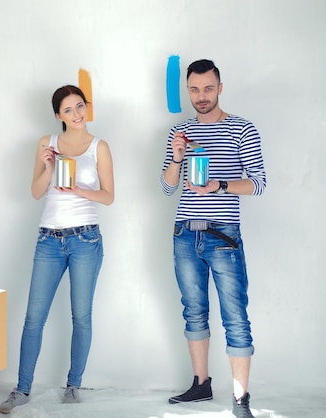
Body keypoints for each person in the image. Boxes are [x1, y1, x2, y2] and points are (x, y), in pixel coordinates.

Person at [160, 59, 266, 418]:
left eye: (208, 88)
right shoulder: (181, 131)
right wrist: (176, 156)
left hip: (223, 237)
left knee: (235, 316)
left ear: (220, 87)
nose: (201, 96)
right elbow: (166, 186)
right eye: (194, 89)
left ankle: (240, 400)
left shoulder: (242, 129)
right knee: (193, 312)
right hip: (185, 236)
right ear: (187, 90)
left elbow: (258, 183)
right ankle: (201, 385)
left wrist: (218, 186)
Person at [0, 85, 114, 414]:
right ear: (57, 116)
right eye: (69, 110)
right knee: (34, 318)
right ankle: (22, 389)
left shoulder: (98, 147)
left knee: (81, 317)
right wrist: (49, 167)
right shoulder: (45, 144)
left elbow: (108, 196)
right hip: (49, 239)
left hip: (86, 239)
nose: (77, 114)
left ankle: (73, 386)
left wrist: (78, 189)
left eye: (81, 106)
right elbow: (36, 192)